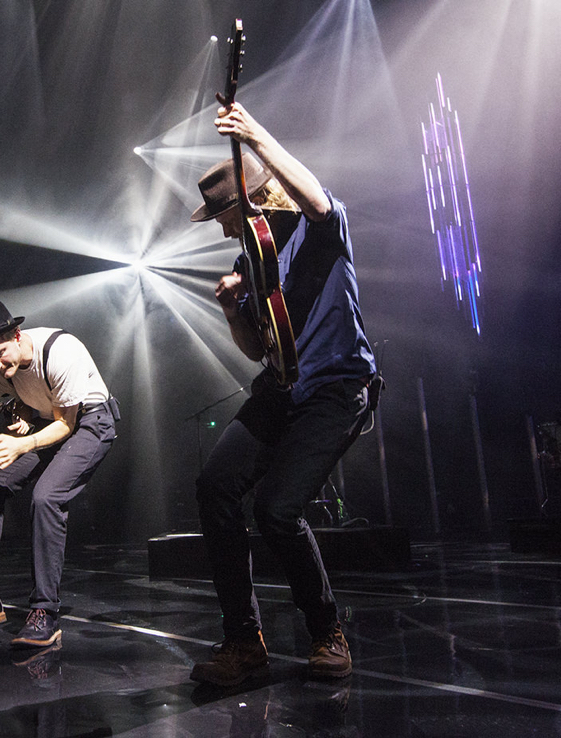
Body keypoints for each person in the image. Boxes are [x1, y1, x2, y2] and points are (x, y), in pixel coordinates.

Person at [188, 101, 376, 686]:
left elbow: (316, 198)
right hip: (283, 386)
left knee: (276, 510)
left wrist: (256, 134)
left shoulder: (319, 230)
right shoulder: (254, 257)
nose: (220, 227)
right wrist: (229, 310)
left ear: (253, 201)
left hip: (337, 387)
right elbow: (255, 349)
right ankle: (244, 641)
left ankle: (327, 630)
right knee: (215, 484)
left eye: (224, 214)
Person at [0, 300, 119, 647]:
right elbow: (20, 400)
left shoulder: (62, 350)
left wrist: (23, 444)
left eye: (0, 353)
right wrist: (22, 421)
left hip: (91, 421)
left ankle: (45, 612)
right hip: (48, 424)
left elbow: (67, 423)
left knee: (47, 497)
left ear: (17, 336)